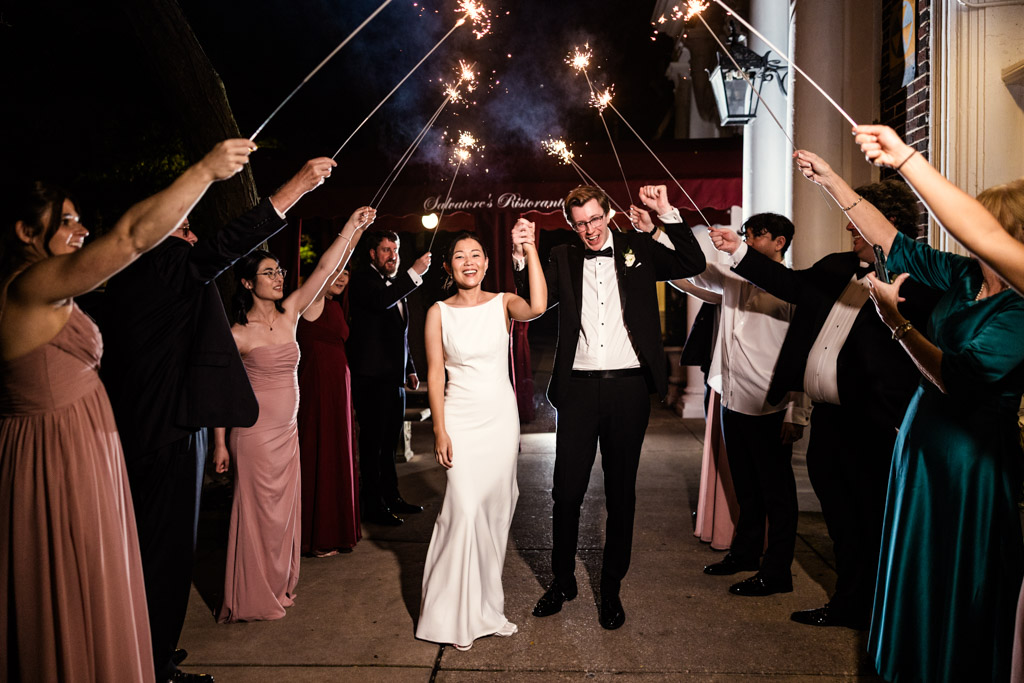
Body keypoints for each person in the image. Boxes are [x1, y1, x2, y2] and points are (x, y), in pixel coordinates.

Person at [0, 139, 252, 682]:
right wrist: (206, 171)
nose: (81, 231)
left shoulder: (51, 290)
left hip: (86, 447)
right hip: (56, 455)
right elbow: (132, 236)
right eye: (65, 221)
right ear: (25, 232)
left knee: (101, 579)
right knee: (69, 581)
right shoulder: (29, 287)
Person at [97, 156, 335, 682]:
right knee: (165, 549)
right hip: (164, 428)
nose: (191, 230)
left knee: (167, 548)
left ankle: (156, 648)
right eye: (181, 225)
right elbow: (230, 243)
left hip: (173, 421)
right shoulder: (161, 268)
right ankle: (152, 663)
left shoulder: (145, 277)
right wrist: (296, 186)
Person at [821, 137, 1024, 682]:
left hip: (969, 459)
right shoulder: (964, 278)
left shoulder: (1018, 312)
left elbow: (954, 379)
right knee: (915, 564)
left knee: (952, 571)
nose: (967, 232)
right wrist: (832, 182)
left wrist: (898, 325)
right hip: (923, 440)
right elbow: (889, 238)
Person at [707, 158, 939, 629]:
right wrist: (739, 251)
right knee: (840, 520)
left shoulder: (920, 284)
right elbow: (789, 283)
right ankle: (849, 601)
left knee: (874, 520)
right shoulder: (837, 268)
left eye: (860, 216)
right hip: (831, 422)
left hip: (873, 424)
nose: (850, 225)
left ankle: (880, 611)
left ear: (886, 224)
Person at [517, 185, 706, 630]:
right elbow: (533, 301)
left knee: (621, 495)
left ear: (608, 213)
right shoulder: (563, 257)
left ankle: (612, 588)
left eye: (595, 219)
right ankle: (563, 582)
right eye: (580, 223)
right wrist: (521, 253)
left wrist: (666, 214)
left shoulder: (639, 247)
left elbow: (692, 264)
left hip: (628, 388)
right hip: (579, 389)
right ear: (571, 225)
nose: (590, 230)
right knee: (565, 492)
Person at [636, 186, 810, 598]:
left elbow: (801, 354)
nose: (747, 240)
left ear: (779, 242)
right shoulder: (735, 281)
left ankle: (777, 571)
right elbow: (695, 274)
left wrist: (794, 414)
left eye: (755, 235)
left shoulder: (792, 289)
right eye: (746, 234)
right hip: (732, 399)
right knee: (747, 488)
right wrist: (656, 232)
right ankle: (745, 554)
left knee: (777, 494)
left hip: (771, 406)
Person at [214, 206, 375, 623]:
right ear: (248, 283)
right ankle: (250, 595)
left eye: (279, 271)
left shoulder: (290, 314)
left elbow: (325, 268)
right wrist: (219, 443)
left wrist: (351, 227)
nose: (279, 277)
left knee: (284, 515)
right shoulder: (237, 333)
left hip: (288, 434)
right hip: (252, 435)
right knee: (257, 515)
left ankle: (277, 584)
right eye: (268, 273)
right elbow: (221, 393)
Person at [416, 226, 547, 651]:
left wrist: (528, 248)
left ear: (488, 263)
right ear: (448, 266)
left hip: (499, 417)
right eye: (459, 256)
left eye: (476, 254)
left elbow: (540, 305)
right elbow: (436, 374)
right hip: (460, 416)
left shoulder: (503, 303)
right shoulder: (438, 311)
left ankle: (485, 608)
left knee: (493, 513)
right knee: (463, 508)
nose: (469, 261)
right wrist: (439, 428)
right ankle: (448, 615)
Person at [854, 124, 1024, 294]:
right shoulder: (964, 273)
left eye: (984, 221)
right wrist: (828, 177)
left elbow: (982, 236)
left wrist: (903, 158)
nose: (971, 226)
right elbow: (897, 246)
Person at [347, 230, 431, 526]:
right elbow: (382, 302)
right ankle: (373, 506)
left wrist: (409, 368)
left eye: (395, 249)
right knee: (373, 445)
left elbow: (400, 334)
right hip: (371, 378)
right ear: (372, 254)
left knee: (390, 442)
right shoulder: (363, 281)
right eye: (385, 249)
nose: (392, 255)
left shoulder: (394, 285)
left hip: (393, 379)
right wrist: (414, 273)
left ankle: (392, 496)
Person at [297, 265, 360, 556]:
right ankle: (318, 535)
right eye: (337, 271)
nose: (342, 277)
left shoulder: (334, 306)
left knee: (338, 452)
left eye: (346, 272)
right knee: (320, 450)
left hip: (338, 388)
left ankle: (337, 531)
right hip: (318, 386)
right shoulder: (310, 302)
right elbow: (326, 265)